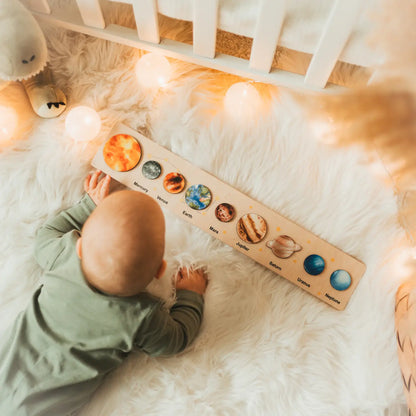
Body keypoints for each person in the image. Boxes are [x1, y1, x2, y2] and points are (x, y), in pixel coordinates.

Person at [0, 169, 208, 416]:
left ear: (79, 246)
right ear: (160, 270)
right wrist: (190, 296)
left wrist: (89, 206)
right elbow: (176, 340)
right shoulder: (141, 316)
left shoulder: (64, 257)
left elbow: (45, 236)